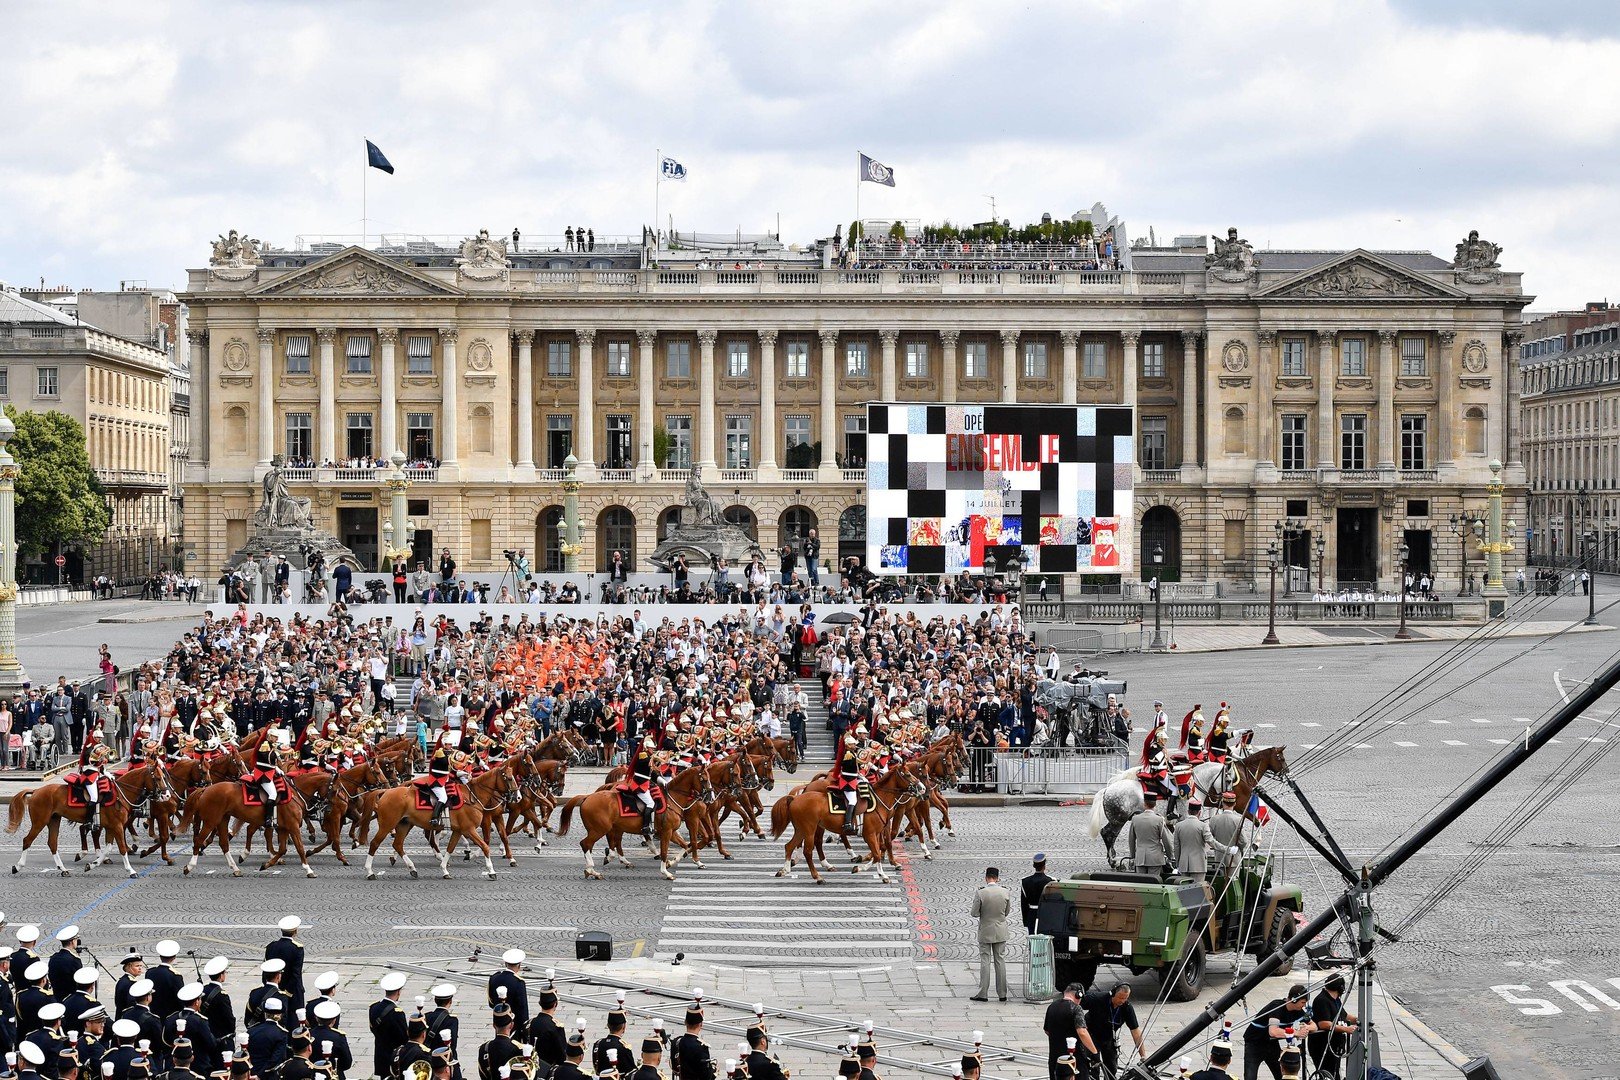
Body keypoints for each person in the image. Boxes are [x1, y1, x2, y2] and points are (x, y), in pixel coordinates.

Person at [1243, 985, 1316, 1080]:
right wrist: (1296, 1032)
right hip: (1254, 1043)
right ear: (1294, 999)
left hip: (1271, 1043)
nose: (1304, 1005)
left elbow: (1314, 1026)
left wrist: (1307, 1027)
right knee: (1250, 1076)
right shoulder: (1276, 1007)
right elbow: (1273, 1031)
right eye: (1302, 1002)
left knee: (1282, 1073)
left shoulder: (1297, 1010)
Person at [1080, 984, 1144, 1079]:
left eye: (1125, 998)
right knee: (1093, 1065)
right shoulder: (1097, 998)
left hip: (1109, 1037)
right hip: (1092, 1035)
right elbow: (1077, 1002)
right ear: (1112, 994)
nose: (1122, 1001)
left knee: (1112, 1067)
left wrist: (1143, 1055)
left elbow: (1135, 1031)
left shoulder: (1127, 1007)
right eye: (1120, 998)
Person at [968, 867, 1010, 1003]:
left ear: (986, 878)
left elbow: (974, 913)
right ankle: (1002, 993)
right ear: (997, 878)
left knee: (985, 961)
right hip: (1001, 930)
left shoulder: (981, 893)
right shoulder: (1005, 892)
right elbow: (1007, 912)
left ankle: (983, 993)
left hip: (986, 929)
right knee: (1000, 961)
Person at [1041, 985, 1098, 1080]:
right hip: (1074, 1060)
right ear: (1078, 995)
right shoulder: (1076, 1008)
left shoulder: (1052, 1006)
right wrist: (1094, 1052)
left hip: (1055, 1058)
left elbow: (1047, 1030)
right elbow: (1082, 1032)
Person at [1307, 975, 1356, 1079]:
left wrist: (1359, 1020)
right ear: (1341, 988)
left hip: (1335, 1045)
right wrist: (1347, 1029)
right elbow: (1324, 1024)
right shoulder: (1322, 1000)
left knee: (1335, 1073)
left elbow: (1344, 1015)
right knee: (1326, 1074)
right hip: (1322, 1045)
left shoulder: (1335, 999)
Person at [370, 973, 409, 1080]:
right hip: (394, 1057)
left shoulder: (374, 1007)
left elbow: (373, 1028)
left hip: (380, 1054)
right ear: (398, 991)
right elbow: (403, 1038)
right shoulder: (397, 1013)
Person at [264, 918, 306, 1017]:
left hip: (273, 989)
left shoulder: (271, 946)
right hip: (293, 993)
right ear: (295, 931)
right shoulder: (297, 948)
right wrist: (288, 992)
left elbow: (266, 969)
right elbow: (296, 973)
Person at [1127, 794, 1174, 878]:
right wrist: (1170, 856)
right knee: (1153, 883)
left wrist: (1133, 856)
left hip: (1140, 857)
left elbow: (1131, 839)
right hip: (1155, 858)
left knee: (1140, 884)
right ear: (1155, 805)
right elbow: (1166, 840)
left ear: (1144, 804)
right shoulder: (1159, 819)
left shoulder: (1135, 819)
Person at [486, 950, 529, 1035]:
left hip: (499, 1022)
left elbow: (491, 1003)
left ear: (506, 963)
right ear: (519, 965)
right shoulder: (519, 982)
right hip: (514, 1026)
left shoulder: (494, 978)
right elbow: (522, 1009)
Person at [1173, 802, 1216, 880]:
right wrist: (1227, 849)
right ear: (1199, 812)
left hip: (1183, 865)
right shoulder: (1203, 826)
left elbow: (1176, 846)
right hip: (1198, 865)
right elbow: (1211, 842)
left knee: (1183, 891)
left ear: (1188, 811)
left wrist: (1178, 863)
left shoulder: (1178, 825)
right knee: (1198, 890)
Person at [670, 1005, 713, 1080]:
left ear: (685, 1022)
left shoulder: (676, 1042)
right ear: (701, 1024)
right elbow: (706, 1076)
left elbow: (675, 1068)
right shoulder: (701, 1047)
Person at [1020, 854, 1053, 935]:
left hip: (1031, 915)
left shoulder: (1025, 882)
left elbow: (1024, 904)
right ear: (1044, 866)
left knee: (1033, 940)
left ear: (1034, 866)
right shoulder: (1051, 882)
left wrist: (1026, 920)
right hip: (1046, 915)